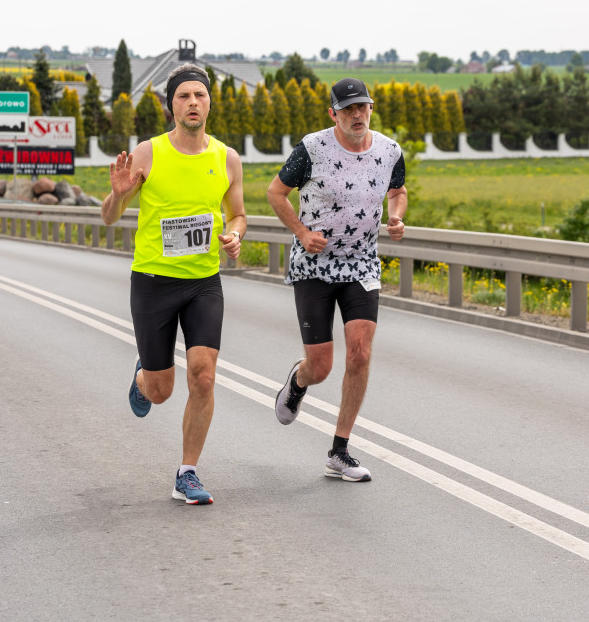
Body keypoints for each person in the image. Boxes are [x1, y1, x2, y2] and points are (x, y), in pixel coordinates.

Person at [100, 64, 246, 506]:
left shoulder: (226, 158)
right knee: (161, 390)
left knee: (203, 377)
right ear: (171, 105)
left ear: (209, 103)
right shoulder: (147, 153)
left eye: (200, 95)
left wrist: (236, 234)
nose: (193, 103)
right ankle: (144, 376)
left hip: (203, 283)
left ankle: (188, 472)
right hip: (153, 282)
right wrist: (119, 193)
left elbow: (238, 213)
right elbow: (109, 217)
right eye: (184, 96)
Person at [267, 77, 407, 482]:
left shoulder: (389, 151)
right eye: (347, 109)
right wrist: (302, 233)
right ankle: (298, 381)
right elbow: (276, 193)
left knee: (360, 352)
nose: (356, 115)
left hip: (362, 263)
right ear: (333, 114)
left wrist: (396, 215)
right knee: (322, 365)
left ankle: (339, 451)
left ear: (371, 108)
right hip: (315, 265)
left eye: (362, 107)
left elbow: (398, 190)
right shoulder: (311, 149)